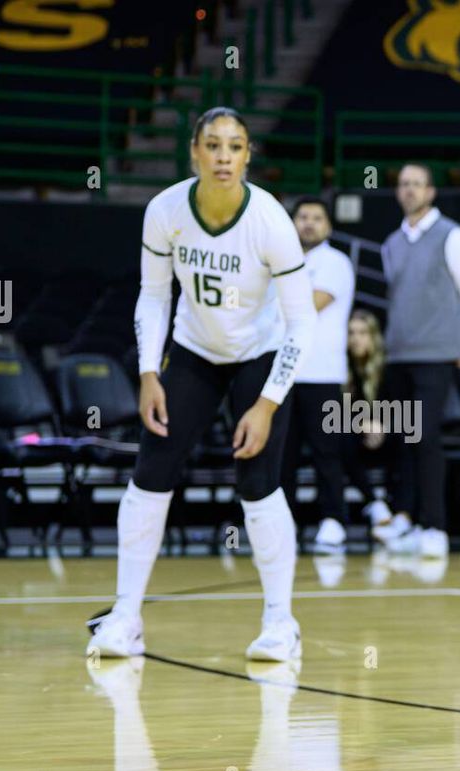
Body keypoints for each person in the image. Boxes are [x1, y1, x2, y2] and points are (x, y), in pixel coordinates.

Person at [85, 107, 316, 663]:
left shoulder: (270, 220)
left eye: (234, 147)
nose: (223, 157)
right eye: (212, 145)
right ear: (194, 151)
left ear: (247, 156)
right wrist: (147, 372)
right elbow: (153, 295)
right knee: (149, 476)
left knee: (258, 485)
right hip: (193, 352)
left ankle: (281, 624)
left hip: (259, 356)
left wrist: (265, 404)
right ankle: (125, 618)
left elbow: (303, 320)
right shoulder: (165, 210)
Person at [375, 163, 460, 558]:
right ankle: (405, 517)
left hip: (437, 356)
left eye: (417, 184)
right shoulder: (391, 241)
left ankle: (435, 526)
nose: (409, 191)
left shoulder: (453, 236)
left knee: (425, 439)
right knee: (403, 441)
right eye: (403, 184)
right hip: (399, 355)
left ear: (431, 192)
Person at [279, 196, 356, 554]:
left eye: (316, 217)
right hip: (282, 373)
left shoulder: (335, 262)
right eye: (303, 217)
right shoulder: (279, 261)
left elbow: (307, 307)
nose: (308, 223)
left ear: (328, 226)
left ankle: (333, 521)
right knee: (283, 455)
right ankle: (283, 525)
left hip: (323, 375)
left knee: (327, 453)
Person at [341, 309, 394, 529]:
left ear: (373, 336)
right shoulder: (339, 368)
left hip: (385, 438)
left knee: (411, 434)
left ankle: (402, 512)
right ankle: (374, 503)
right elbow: (330, 412)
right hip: (353, 440)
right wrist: (360, 423)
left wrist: (382, 426)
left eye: (363, 332)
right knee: (337, 435)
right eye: (351, 333)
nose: (356, 338)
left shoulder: (387, 369)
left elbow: (399, 407)